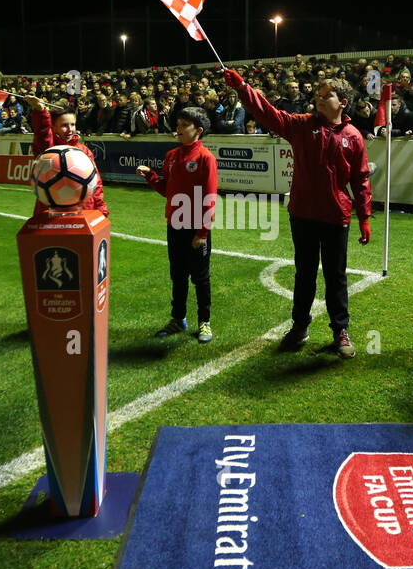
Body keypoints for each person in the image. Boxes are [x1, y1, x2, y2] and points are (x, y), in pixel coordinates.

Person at [223, 68, 371, 359]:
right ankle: (300, 326)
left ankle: (340, 330)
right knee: (304, 274)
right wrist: (243, 88)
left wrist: (364, 217)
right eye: (317, 94)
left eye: (326, 95)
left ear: (343, 101)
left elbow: (361, 179)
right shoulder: (302, 125)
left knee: (335, 276)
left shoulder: (353, 136)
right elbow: (268, 114)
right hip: (302, 213)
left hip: (335, 215)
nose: (318, 99)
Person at [136, 106, 218, 343]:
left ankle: (204, 322)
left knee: (200, 277)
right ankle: (178, 319)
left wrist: (202, 232)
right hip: (175, 225)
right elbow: (167, 190)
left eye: (185, 126)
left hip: (196, 229)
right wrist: (151, 176)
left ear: (198, 131)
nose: (179, 129)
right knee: (178, 275)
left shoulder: (205, 158)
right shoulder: (172, 156)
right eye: (178, 125)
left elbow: (210, 197)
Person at [25, 95, 109, 220]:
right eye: (64, 125)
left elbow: (95, 183)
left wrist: (101, 210)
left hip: (85, 211)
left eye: (73, 124)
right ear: (53, 127)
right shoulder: (49, 149)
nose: (70, 129)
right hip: (52, 213)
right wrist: (41, 112)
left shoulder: (84, 150)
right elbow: (42, 135)